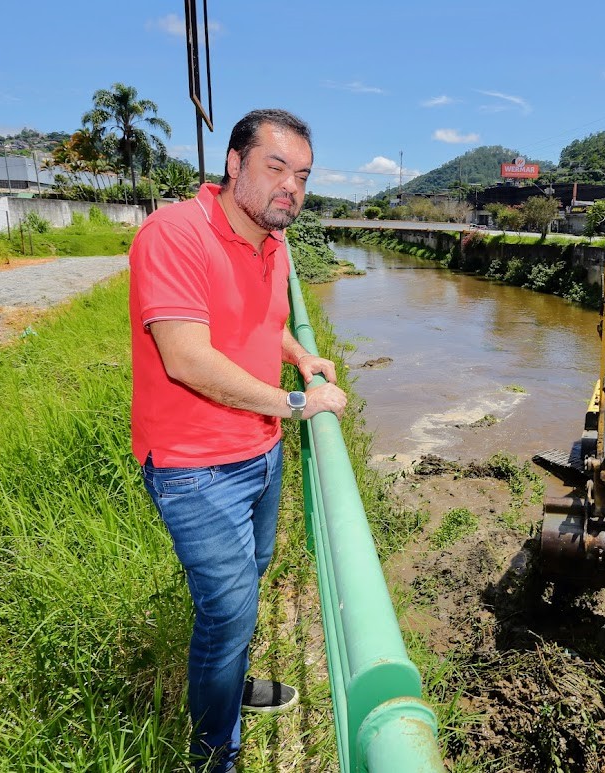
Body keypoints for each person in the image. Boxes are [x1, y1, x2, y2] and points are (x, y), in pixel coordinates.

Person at [128, 108, 347, 772]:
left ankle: (225, 692)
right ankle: (212, 755)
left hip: (260, 450)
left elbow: (261, 320)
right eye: (276, 168)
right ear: (234, 163)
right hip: (195, 467)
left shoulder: (274, 242)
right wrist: (299, 401)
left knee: (245, 593)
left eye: (302, 176)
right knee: (226, 615)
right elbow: (188, 358)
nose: (291, 188)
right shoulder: (174, 235)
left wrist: (296, 356)